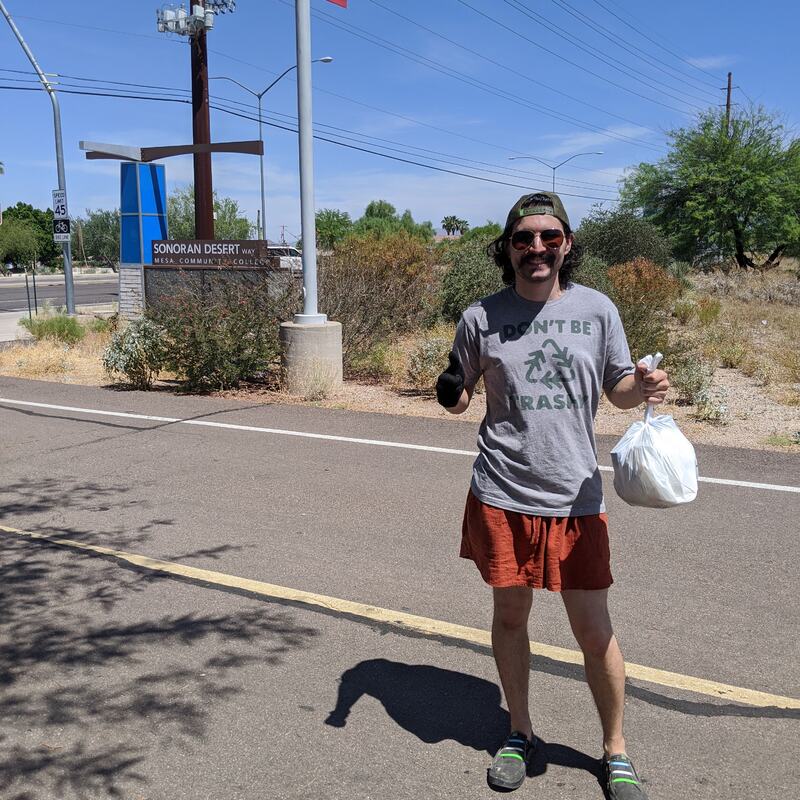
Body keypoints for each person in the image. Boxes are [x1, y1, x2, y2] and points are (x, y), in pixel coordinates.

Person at [435, 192, 669, 798]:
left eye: (549, 236)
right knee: (510, 617)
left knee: (594, 631)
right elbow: (462, 397)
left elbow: (616, 390)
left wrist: (642, 385)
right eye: (524, 238)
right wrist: (450, 389)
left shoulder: (597, 310)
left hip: (575, 496)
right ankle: (519, 731)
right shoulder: (480, 317)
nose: (536, 248)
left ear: (566, 245)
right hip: (502, 491)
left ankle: (615, 750)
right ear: (507, 247)